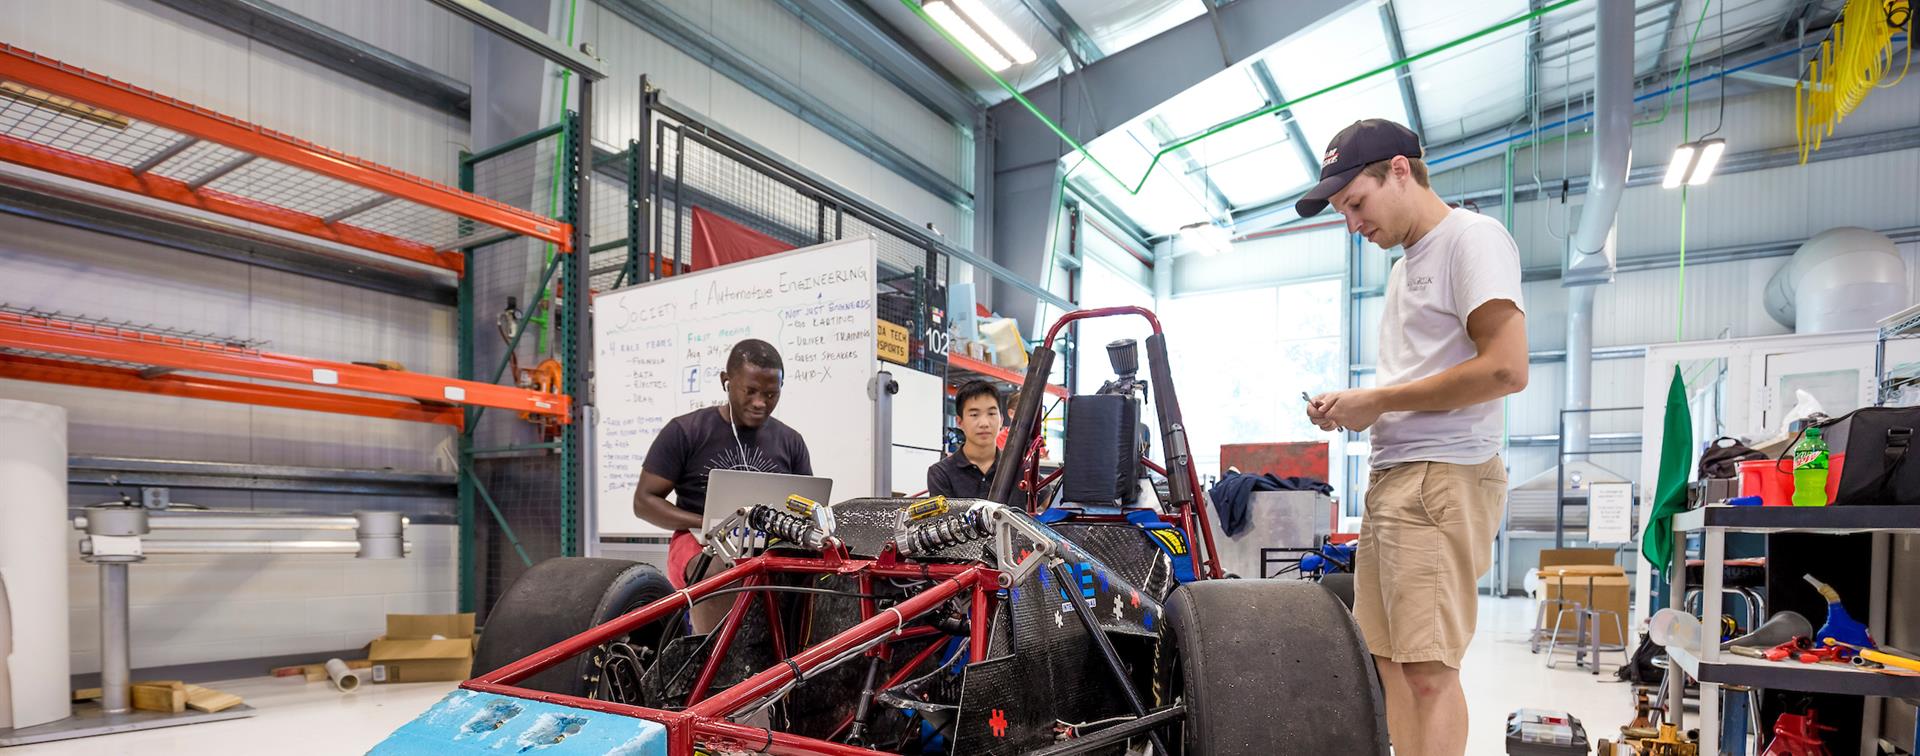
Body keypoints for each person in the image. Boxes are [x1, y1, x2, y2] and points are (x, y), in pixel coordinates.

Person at [1297, 119, 1529, 756]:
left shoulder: (1471, 240)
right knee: (1391, 662)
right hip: (1397, 479)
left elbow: (1507, 367)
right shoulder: (1406, 267)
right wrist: (1360, 407)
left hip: (1440, 478)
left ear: (1399, 170)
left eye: (1356, 204)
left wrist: (1379, 400)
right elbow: (1425, 374)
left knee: (1428, 672)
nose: (1352, 223)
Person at [634, 338, 812, 631]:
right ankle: (712, 659)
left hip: (770, 541)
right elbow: (644, 502)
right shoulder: (686, 431)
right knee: (721, 573)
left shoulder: (791, 441)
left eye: (770, 394)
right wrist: (707, 522)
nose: (760, 403)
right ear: (726, 382)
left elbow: (806, 505)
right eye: (750, 391)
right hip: (699, 540)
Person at [926, 380, 1003, 499]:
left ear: (1001, 420)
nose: (984, 423)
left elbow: (1043, 504)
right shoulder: (941, 473)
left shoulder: (1021, 470)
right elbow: (943, 517)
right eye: (974, 415)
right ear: (959, 422)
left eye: (991, 413)